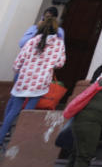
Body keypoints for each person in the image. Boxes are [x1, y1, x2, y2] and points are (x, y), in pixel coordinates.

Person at [0, 16, 65, 148]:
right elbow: (60, 63)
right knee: (28, 113)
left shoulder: (32, 41)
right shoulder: (59, 44)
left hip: (24, 80)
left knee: (13, 111)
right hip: (40, 83)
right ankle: (17, 141)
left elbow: (18, 61)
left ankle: (1, 138)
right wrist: (48, 64)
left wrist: (18, 71)